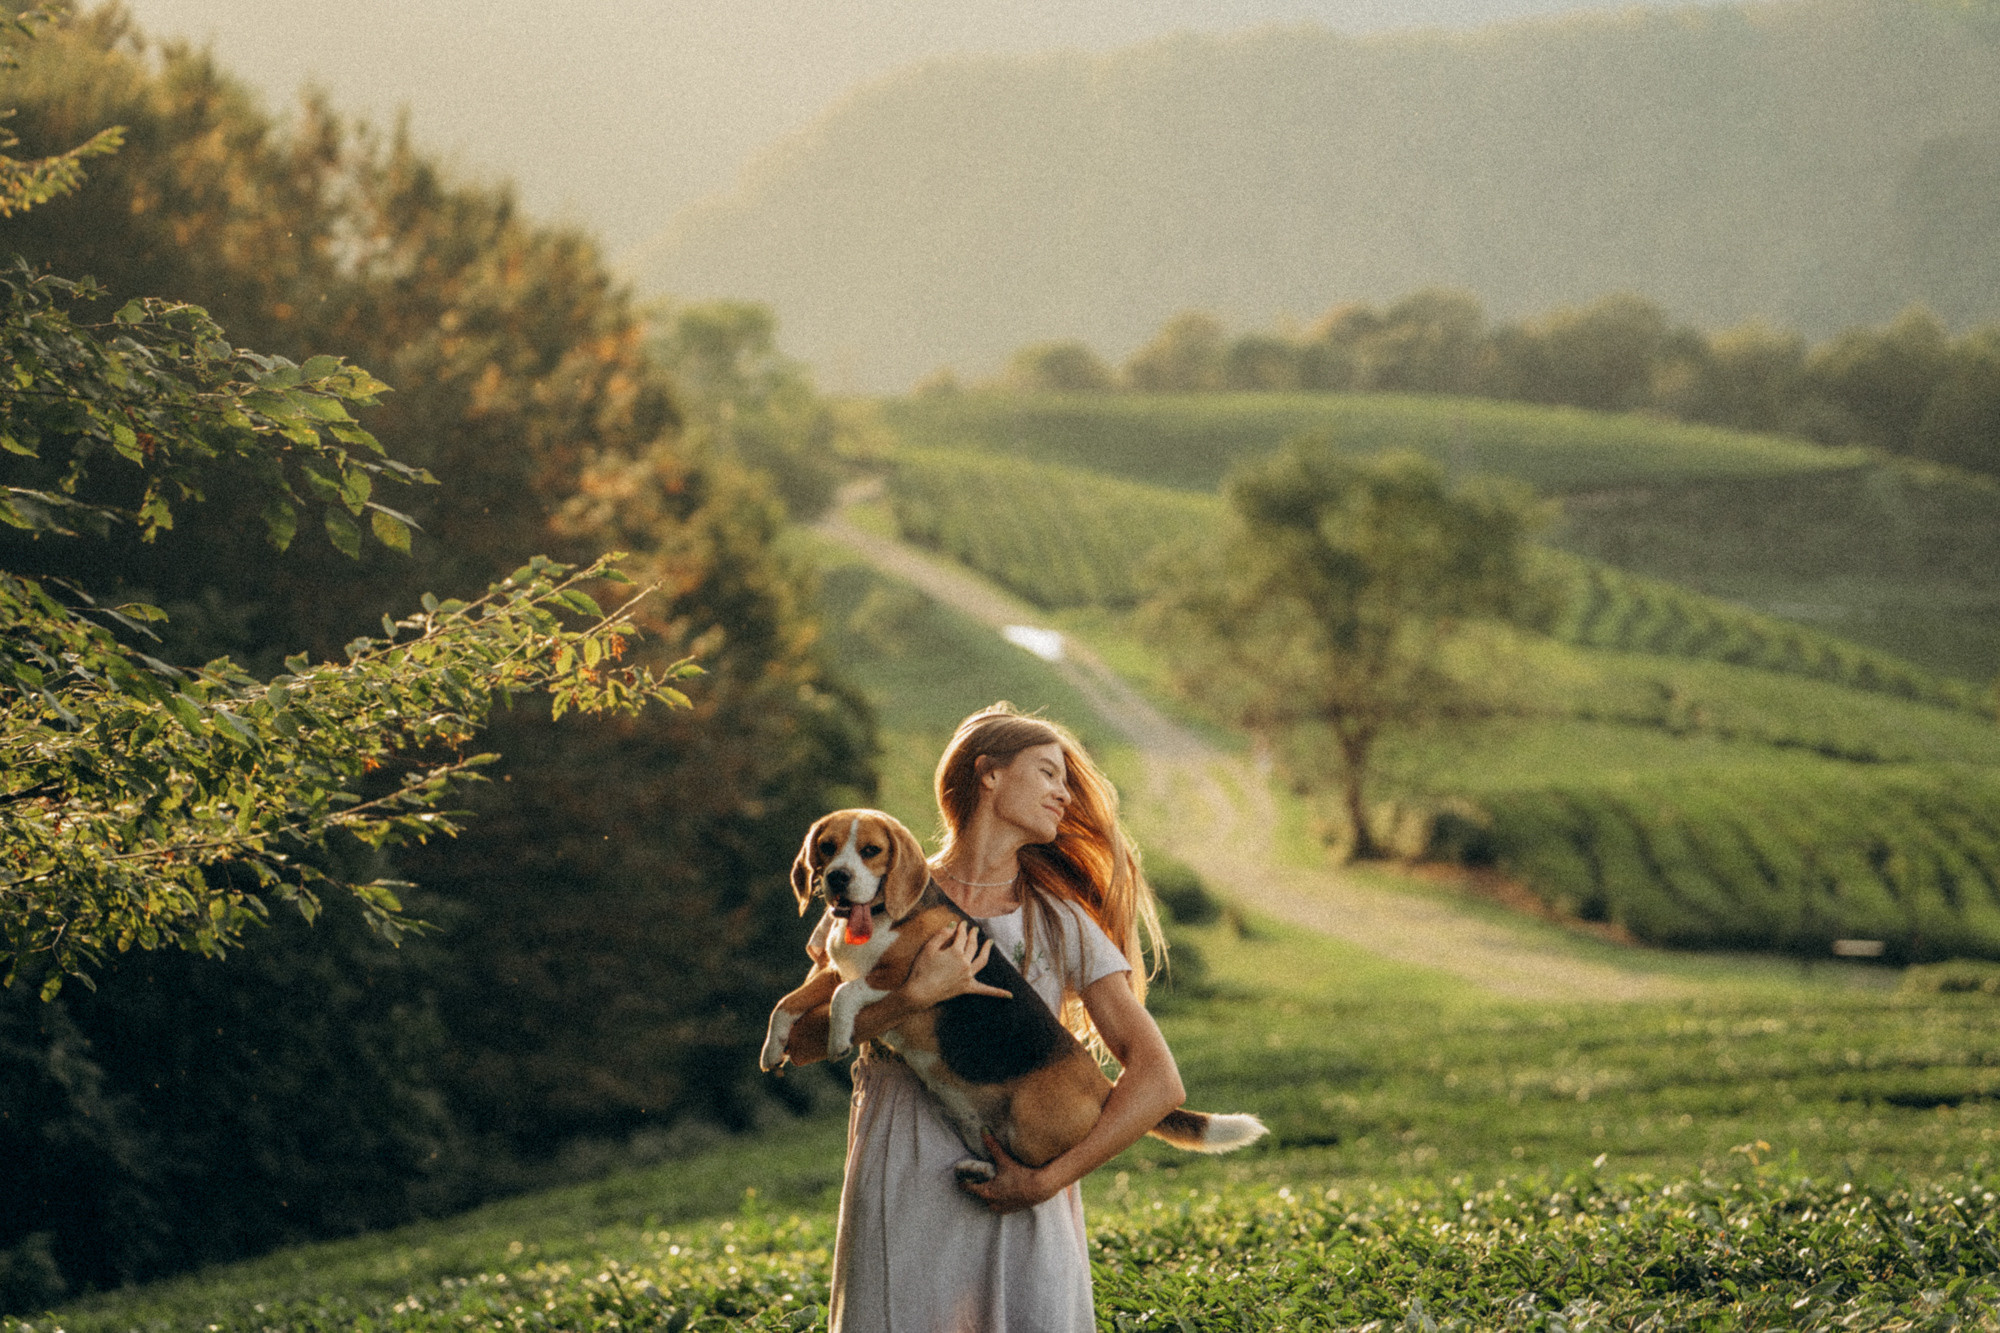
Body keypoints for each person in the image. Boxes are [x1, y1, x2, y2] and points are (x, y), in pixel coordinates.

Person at [781, 702, 1186, 1333]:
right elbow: (802, 1044)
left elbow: (1160, 1082)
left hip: (1020, 1183)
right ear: (990, 775)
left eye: (1066, 781)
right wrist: (912, 996)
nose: (1064, 794)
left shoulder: (1061, 920)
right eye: (1048, 773)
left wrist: (1046, 1182)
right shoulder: (873, 892)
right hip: (901, 1168)